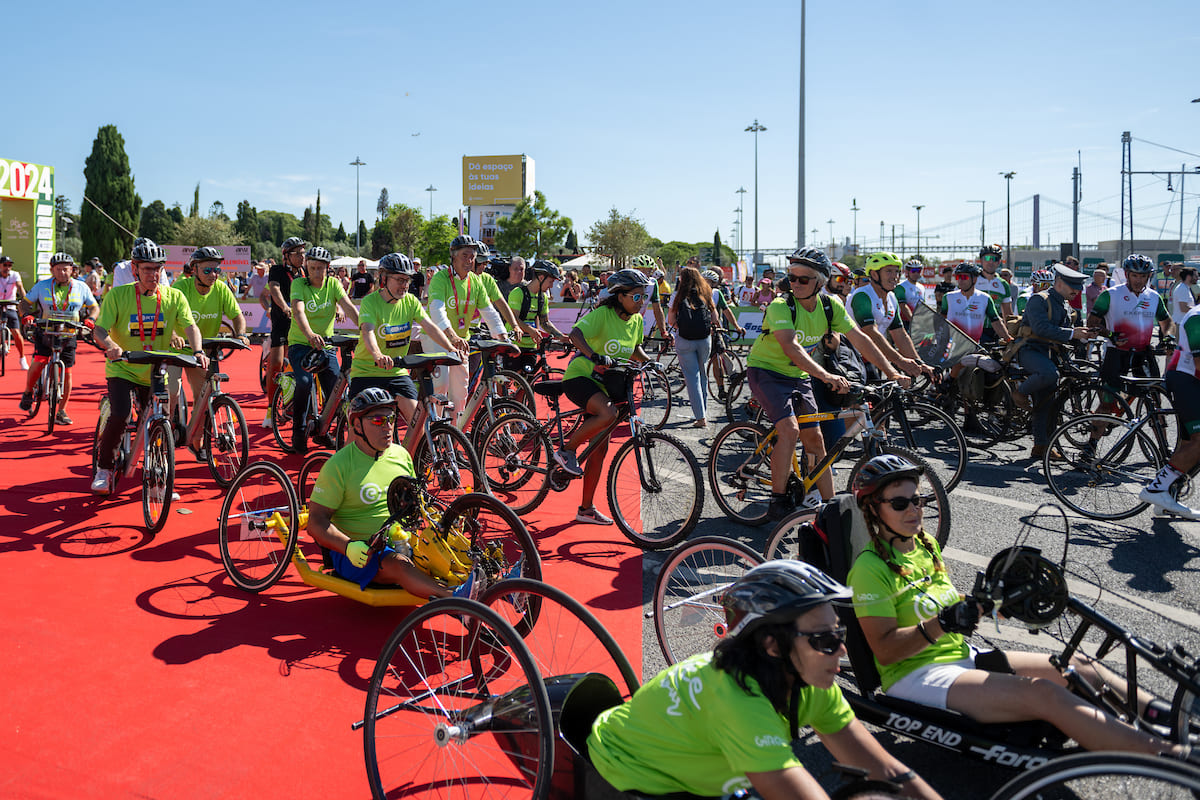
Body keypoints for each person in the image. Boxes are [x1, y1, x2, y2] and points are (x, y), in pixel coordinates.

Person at [847, 454, 1184, 759]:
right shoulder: (869, 569)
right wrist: (943, 623)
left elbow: (952, 606)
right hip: (916, 675)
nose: (914, 509)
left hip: (962, 657)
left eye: (918, 499)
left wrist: (994, 605)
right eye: (901, 503)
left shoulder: (926, 545)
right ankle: (1169, 757)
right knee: (1044, 695)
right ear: (873, 508)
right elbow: (887, 651)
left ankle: (1177, 720)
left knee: (1080, 667)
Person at [588, 560, 942, 800]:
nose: (842, 651)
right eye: (826, 640)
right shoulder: (737, 700)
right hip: (631, 774)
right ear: (772, 645)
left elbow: (886, 768)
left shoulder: (809, 676)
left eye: (840, 633)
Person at [745, 247, 904, 520]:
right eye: (791, 278)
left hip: (799, 374)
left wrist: (891, 371)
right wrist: (827, 376)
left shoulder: (830, 307)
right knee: (790, 430)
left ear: (820, 281)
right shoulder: (781, 305)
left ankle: (832, 509)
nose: (794, 284)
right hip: (766, 371)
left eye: (802, 280)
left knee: (816, 441)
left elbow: (861, 339)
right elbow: (791, 347)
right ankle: (777, 499)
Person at [307, 388, 493, 598]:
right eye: (378, 420)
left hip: (401, 540)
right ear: (357, 425)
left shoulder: (401, 455)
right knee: (399, 564)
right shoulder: (338, 466)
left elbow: (415, 501)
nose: (388, 427)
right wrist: (348, 545)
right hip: (358, 553)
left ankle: (503, 585)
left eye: (391, 418)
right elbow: (315, 521)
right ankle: (455, 600)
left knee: (456, 550)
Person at [91, 242, 209, 494]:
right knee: (121, 414)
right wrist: (110, 344)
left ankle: (157, 479)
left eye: (158, 269)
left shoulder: (174, 297)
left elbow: (191, 327)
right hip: (123, 367)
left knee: (159, 422)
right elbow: (99, 329)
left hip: (155, 369)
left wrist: (198, 350)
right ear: (134, 269)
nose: (153, 275)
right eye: (147, 269)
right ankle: (104, 468)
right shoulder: (118, 295)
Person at [552, 269, 657, 525]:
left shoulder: (635, 321)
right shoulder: (603, 314)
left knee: (599, 450)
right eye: (636, 296)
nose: (641, 301)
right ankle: (566, 451)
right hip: (582, 377)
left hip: (607, 385)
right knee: (608, 413)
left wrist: (651, 362)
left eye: (643, 296)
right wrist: (592, 355)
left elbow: (634, 350)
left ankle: (585, 509)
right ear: (620, 295)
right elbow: (575, 335)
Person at [350, 253, 465, 424]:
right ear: (384, 278)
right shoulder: (370, 302)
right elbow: (368, 331)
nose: (405, 285)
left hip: (397, 372)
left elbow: (430, 326)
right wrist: (377, 355)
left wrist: (450, 348)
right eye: (399, 280)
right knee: (359, 429)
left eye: (407, 280)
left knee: (418, 423)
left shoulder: (411, 302)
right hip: (367, 371)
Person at [1013, 264, 1099, 460]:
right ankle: (1019, 392)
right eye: (1073, 287)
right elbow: (1041, 328)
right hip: (1030, 349)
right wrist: (1072, 333)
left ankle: (1041, 447)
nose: (1077, 291)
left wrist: (1085, 333)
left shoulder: (1064, 303)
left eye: (1078, 288)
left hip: (1051, 353)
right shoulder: (1039, 299)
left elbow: (1068, 332)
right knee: (1049, 375)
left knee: (1047, 403)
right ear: (1059, 283)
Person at [167, 247, 248, 453]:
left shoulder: (221, 289)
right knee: (172, 393)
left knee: (205, 398)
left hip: (203, 353)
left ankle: (196, 440)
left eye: (216, 270)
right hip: (176, 351)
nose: (213, 275)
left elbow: (238, 317)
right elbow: (165, 316)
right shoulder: (181, 287)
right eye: (207, 270)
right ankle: (164, 433)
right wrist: (173, 336)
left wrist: (241, 334)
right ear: (194, 270)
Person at [426, 235, 508, 424]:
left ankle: (452, 440)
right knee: (441, 384)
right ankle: (435, 431)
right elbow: (437, 311)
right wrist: (452, 336)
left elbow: (489, 312)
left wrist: (504, 338)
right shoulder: (440, 278)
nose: (469, 260)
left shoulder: (476, 281)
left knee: (460, 392)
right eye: (464, 255)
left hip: (460, 341)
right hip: (436, 338)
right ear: (453, 256)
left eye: (472, 256)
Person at [287, 245, 360, 454]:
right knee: (303, 381)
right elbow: (299, 311)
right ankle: (298, 431)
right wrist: (309, 334)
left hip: (326, 346)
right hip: (301, 344)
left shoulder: (334, 284)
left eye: (321, 268)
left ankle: (324, 430)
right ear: (306, 268)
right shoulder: (299, 284)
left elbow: (349, 307)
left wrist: (365, 331)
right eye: (312, 268)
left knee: (337, 391)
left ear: (328, 268)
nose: (317, 273)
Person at [18, 253, 99, 424]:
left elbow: (94, 307)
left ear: (72, 270)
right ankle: (27, 392)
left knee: (68, 372)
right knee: (39, 361)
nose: (62, 272)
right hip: (46, 332)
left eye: (66, 269)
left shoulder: (81, 287)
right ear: (52, 270)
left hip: (69, 334)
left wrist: (90, 319)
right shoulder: (42, 286)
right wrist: (26, 315)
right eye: (58, 269)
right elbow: (24, 303)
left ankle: (61, 410)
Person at [1140, 297, 1200, 518]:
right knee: (1198, 442)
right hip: (1186, 379)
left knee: (1189, 446)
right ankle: (1156, 489)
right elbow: (1199, 363)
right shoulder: (1197, 318)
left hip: (1194, 381)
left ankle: (1168, 495)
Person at [1087, 253, 1172, 392]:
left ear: (1149, 276)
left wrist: (1169, 336)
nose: (1139, 280)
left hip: (1143, 353)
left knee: (1154, 398)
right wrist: (1110, 335)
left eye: (1143, 276)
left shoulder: (1153, 297)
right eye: (1135, 276)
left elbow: (1167, 322)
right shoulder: (1110, 294)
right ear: (1127, 275)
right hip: (1116, 353)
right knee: (1109, 402)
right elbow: (1091, 323)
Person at [846, 253, 932, 383]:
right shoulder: (862, 296)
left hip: (874, 356)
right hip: (852, 357)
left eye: (897, 272)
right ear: (874, 274)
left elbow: (900, 334)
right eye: (889, 271)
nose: (895, 277)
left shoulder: (892, 297)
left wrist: (919, 362)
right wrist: (899, 360)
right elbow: (872, 333)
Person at [263, 237, 307, 430]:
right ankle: (270, 408)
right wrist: (284, 307)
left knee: (298, 366)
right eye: (297, 253)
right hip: (282, 323)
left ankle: (291, 403)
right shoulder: (277, 271)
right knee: (276, 364)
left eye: (303, 253)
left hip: (299, 325)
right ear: (286, 256)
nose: (302, 257)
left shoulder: (304, 273)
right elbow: (274, 289)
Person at [668, 267, 720, 428]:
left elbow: (670, 321)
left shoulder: (677, 296)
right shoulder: (706, 293)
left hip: (684, 340)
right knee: (703, 375)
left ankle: (700, 417)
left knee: (692, 378)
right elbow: (715, 317)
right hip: (704, 339)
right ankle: (702, 411)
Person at [507, 259, 569, 374]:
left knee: (527, 382)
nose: (551, 286)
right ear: (541, 278)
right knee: (508, 379)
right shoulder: (518, 293)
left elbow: (545, 322)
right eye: (550, 282)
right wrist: (530, 329)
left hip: (531, 345)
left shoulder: (543, 297)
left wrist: (560, 336)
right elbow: (513, 318)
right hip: (513, 343)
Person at [938, 263, 1012, 345]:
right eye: (958, 277)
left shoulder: (985, 298)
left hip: (974, 347)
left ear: (974, 279)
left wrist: (1008, 339)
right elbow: (940, 321)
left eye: (964, 277)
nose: (960, 280)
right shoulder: (948, 297)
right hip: (952, 347)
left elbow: (996, 322)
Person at [470, 243, 520, 334]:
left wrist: (515, 326)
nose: (483, 266)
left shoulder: (487, 279)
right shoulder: (458, 279)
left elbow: (501, 304)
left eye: (486, 263)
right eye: (480, 263)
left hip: (475, 332)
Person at [0, 255, 30, 370]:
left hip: (10, 306)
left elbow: (20, 287)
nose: (7, 267)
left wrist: (26, 301)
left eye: (9, 265)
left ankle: (22, 359)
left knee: (16, 333)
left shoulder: (15, 275)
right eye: (5, 265)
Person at [975, 244, 1012, 323]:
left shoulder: (1004, 284)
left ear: (999, 262)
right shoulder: (972, 280)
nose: (991, 262)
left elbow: (1008, 314)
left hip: (995, 331)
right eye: (987, 258)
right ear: (981, 261)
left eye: (995, 259)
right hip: (972, 330)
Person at [893, 261, 926, 326]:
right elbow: (903, 306)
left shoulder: (922, 287)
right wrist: (913, 321)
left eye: (918, 271)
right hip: (904, 322)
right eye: (913, 271)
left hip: (918, 322)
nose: (916, 273)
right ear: (907, 272)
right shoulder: (900, 287)